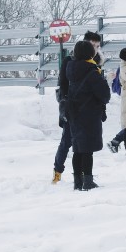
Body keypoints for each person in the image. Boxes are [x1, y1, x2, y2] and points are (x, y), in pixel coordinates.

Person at [52, 29, 104, 183]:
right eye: (92, 45)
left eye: (97, 45)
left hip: (89, 111)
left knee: (86, 145)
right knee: (67, 141)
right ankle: (57, 171)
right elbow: (62, 83)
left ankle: (83, 177)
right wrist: (65, 103)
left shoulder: (97, 63)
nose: (95, 48)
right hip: (72, 108)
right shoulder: (70, 61)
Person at [64, 39, 111, 190]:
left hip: (74, 113)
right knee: (87, 150)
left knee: (78, 148)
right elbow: (104, 94)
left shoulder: (71, 69)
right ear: (90, 53)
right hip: (89, 114)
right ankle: (88, 181)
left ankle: (78, 181)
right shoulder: (91, 71)